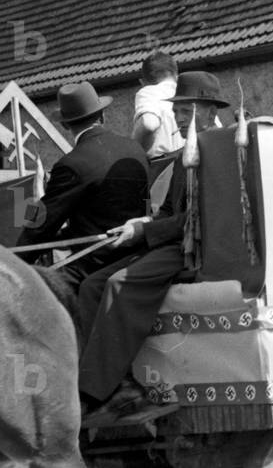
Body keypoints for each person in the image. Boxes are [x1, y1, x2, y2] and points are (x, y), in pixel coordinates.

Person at [77, 71, 229, 417]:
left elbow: (200, 219)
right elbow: (169, 212)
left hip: (195, 249)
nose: (179, 119)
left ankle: (97, 391)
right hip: (168, 240)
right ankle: (115, 382)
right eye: (177, 113)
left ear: (209, 112)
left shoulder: (220, 151)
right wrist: (138, 224)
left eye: (187, 113)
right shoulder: (183, 155)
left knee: (118, 284)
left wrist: (145, 233)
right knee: (90, 286)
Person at [16, 81, 149, 290]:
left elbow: (42, 224)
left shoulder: (71, 164)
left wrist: (16, 259)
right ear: (102, 116)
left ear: (65, 125)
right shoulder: (135, 148)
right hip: (140, 251)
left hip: (95, 261)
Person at [132, 51, 183, 158]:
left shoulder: (148, 92)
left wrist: (133, 154)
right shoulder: (191, 91)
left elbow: (148, 123)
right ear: (176, 75)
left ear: (142, 82)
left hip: (165, 168)